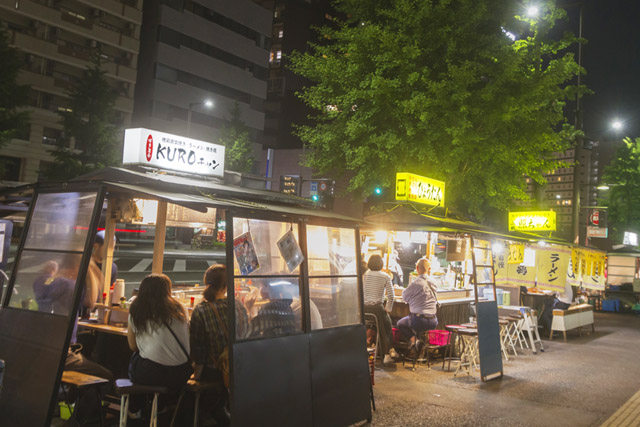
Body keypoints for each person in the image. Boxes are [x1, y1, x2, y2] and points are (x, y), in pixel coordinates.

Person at [190, 264, 248, 426]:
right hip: (237, 370)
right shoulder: (239, 307)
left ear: (206, 282)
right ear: (227, 286)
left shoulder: (200, 310)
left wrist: (196, 375)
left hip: (214, 372)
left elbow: (198, 352)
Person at [127, 274, 192, 416]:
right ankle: (161, 404)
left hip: (153, 373)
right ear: (168, 290)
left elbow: (132, 345)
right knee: (151, 358)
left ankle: (134, 407)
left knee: (136, 358)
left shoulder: (136, 310)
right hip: (181, 373)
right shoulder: (180, 308)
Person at [363, 254, 398, 365]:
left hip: (363, 309)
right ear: (381, 264)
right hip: (377, 308)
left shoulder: (365, 275)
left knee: (371, 325)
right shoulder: (385, 276)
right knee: (386, 325)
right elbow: (391, 296)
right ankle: (387, 354)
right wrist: (388, 309)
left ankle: (369, 347)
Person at [397, 258, 439, 343]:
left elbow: (404, 297)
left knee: (400, 324)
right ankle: (421, 344)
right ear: (429, 269)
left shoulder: (415, 282)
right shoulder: (434, 282)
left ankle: (415, 341)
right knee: (416, 325)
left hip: (418, 320)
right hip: (433, 321)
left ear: (417, 268)